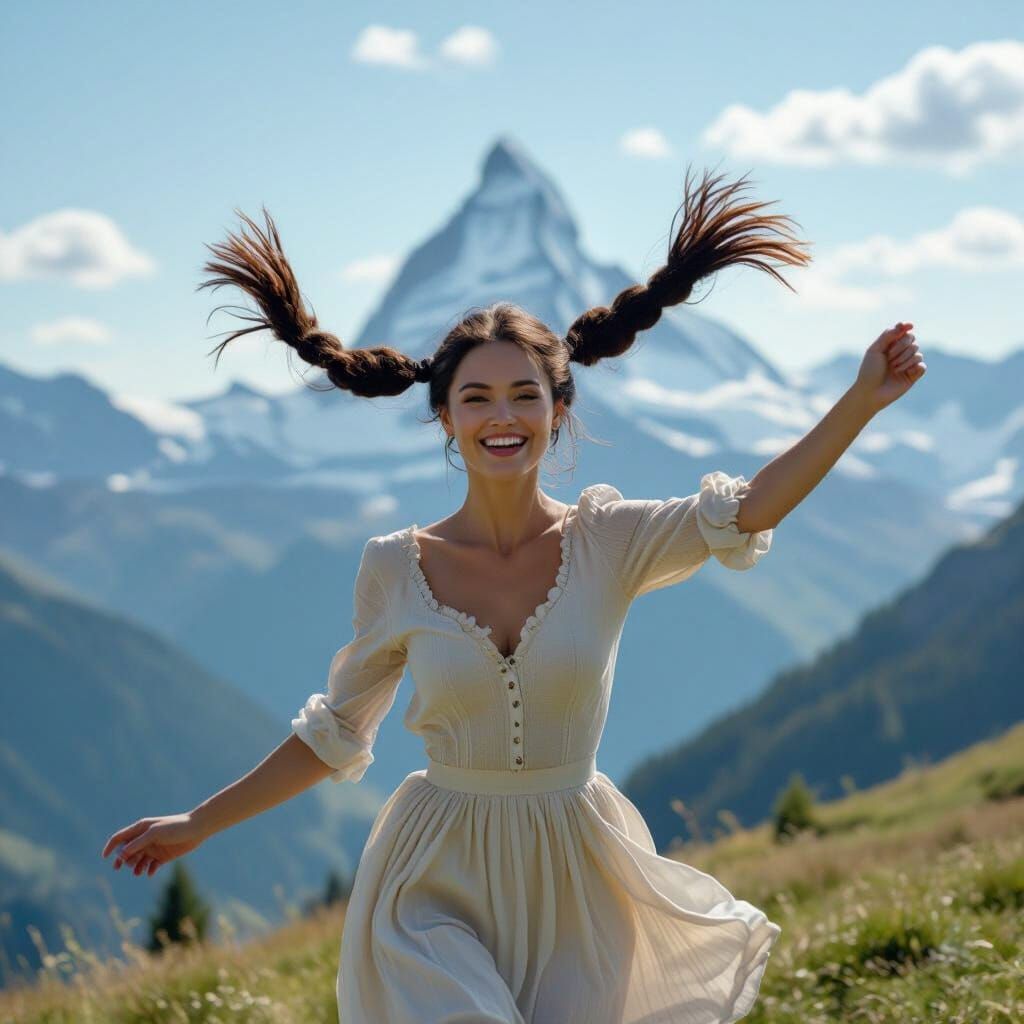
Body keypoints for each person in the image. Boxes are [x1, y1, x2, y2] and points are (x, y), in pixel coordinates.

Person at [101, 166, 925, 1022]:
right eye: (478, 397)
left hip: (580, 875)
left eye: (526, 394)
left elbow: (751, 508)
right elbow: (336, 735)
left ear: (559, 410)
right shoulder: (395, 565)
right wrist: (200, 822)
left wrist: (863, 400)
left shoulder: (611, 540)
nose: (504, 415)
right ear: (446, 417)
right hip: (432, 882)